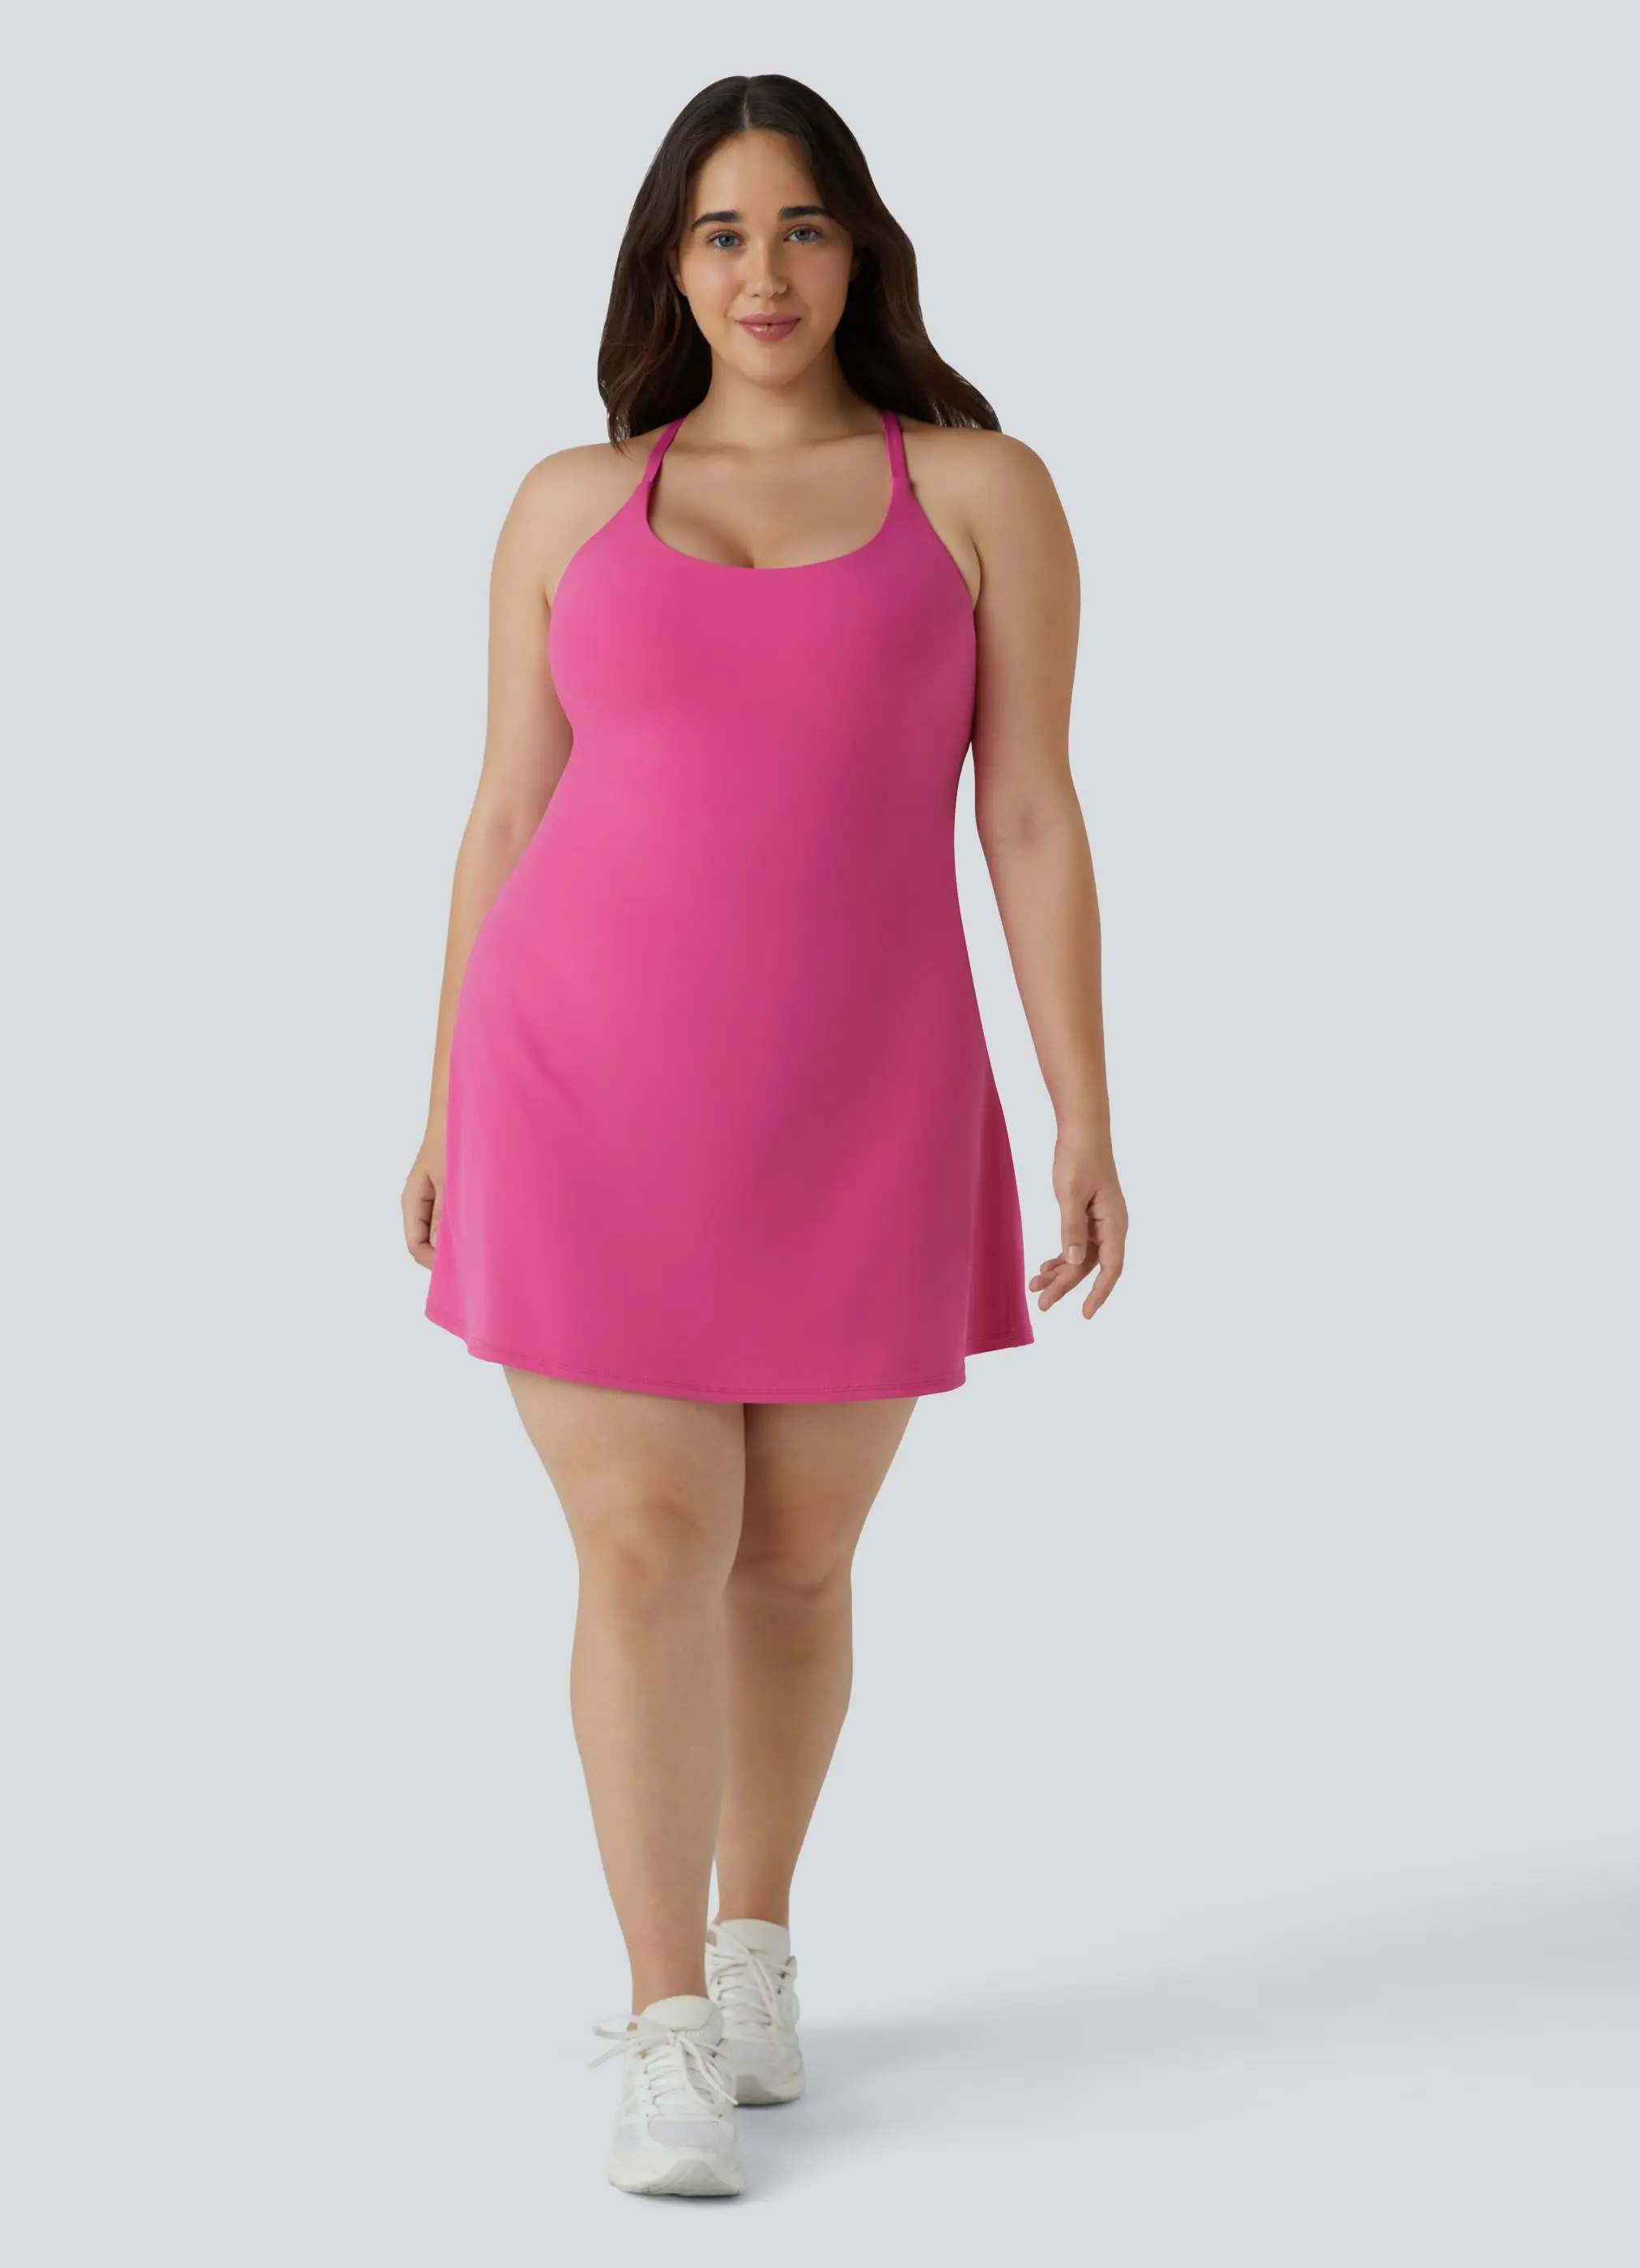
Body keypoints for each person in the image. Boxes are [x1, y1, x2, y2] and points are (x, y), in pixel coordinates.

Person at [400, 73, 1125, 2199]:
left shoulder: (977, 491)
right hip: (577, 1085)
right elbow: (506, 812)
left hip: (860, 1094)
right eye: (722, 232)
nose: (765, 269)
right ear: (671, 266)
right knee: (647, 1545)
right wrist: (438, 1099)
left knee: (795, 1562)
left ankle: (754, 1942)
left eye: (801, 225)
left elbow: (1030, 812)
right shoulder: (568, 503)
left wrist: (1085, 1106)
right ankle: (662, 2027)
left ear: (860, 248)